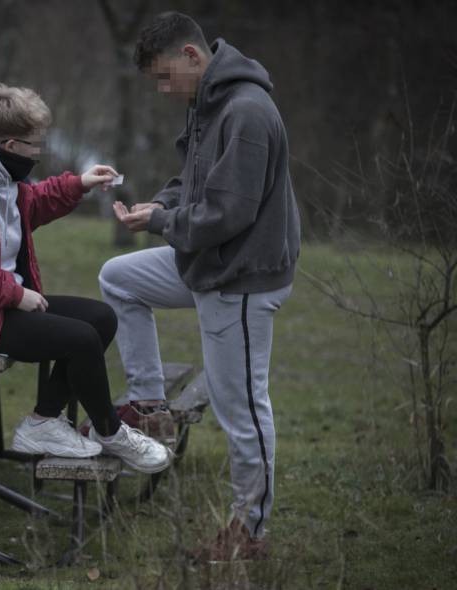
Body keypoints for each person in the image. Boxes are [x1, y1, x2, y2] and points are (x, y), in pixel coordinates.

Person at [101, 12, 301, 560]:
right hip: (210, 263)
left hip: (240, 277)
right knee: (119, 278)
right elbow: (191, 180)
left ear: (193, 56)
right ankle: (148, 404)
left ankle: (250, 533)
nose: (164, 90)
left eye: (166, 77)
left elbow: (228, 213)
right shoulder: (208, 104)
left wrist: (163, 224)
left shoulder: (247, 111)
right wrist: (162, 205)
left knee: (243, 409)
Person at [0, 83, 170, 474]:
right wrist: (13, 294)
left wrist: (78, 184)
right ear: (11, 144)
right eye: (34, 145)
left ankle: (44, 421)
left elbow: (28, 206)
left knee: (99, 319)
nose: (38, 153)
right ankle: (110, 433)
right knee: (79, 340)